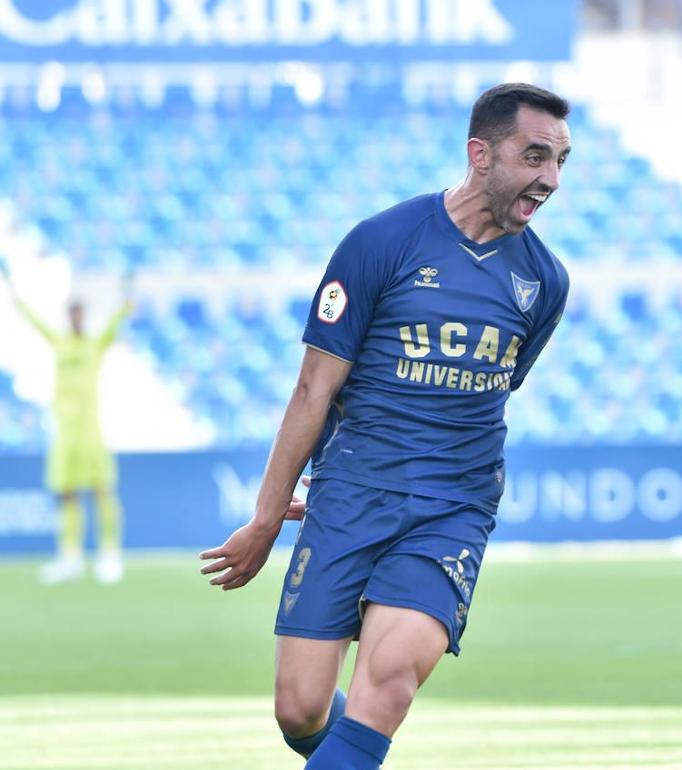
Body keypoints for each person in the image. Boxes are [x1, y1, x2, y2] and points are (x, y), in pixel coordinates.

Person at [199, 83, 572, 770]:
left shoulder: (545, 281)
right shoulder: (382, 243)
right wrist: (267, 517)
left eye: (560, 162)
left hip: (451, 509)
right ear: (480, 154)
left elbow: (497, 391)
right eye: (535, 156)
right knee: (300, 710)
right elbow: (314, 390)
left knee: (388, 683)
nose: (551, 179)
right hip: (352, 495)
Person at [2, 262, 131, 585]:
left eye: (79, 313)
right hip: (64, 434)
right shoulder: (59, 342)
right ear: (67, 316)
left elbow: (118, 319)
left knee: (102, 491)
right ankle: (70, 556)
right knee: (67, 494)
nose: (75, 318)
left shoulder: (94, 345)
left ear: (83, 316)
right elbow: (30, 318)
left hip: (91, 432)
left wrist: (127, 289)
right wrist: (12, 286)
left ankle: (110, 554)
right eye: (71, 313)